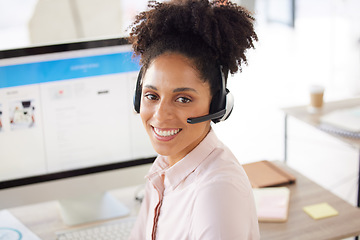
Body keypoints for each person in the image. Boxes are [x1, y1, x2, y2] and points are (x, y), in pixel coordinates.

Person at [128, 0, 259, 239]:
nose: (159, 115)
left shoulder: (216, 191)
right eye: (151, 95)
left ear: (217, 104)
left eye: (183, 99)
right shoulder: (163, 168)